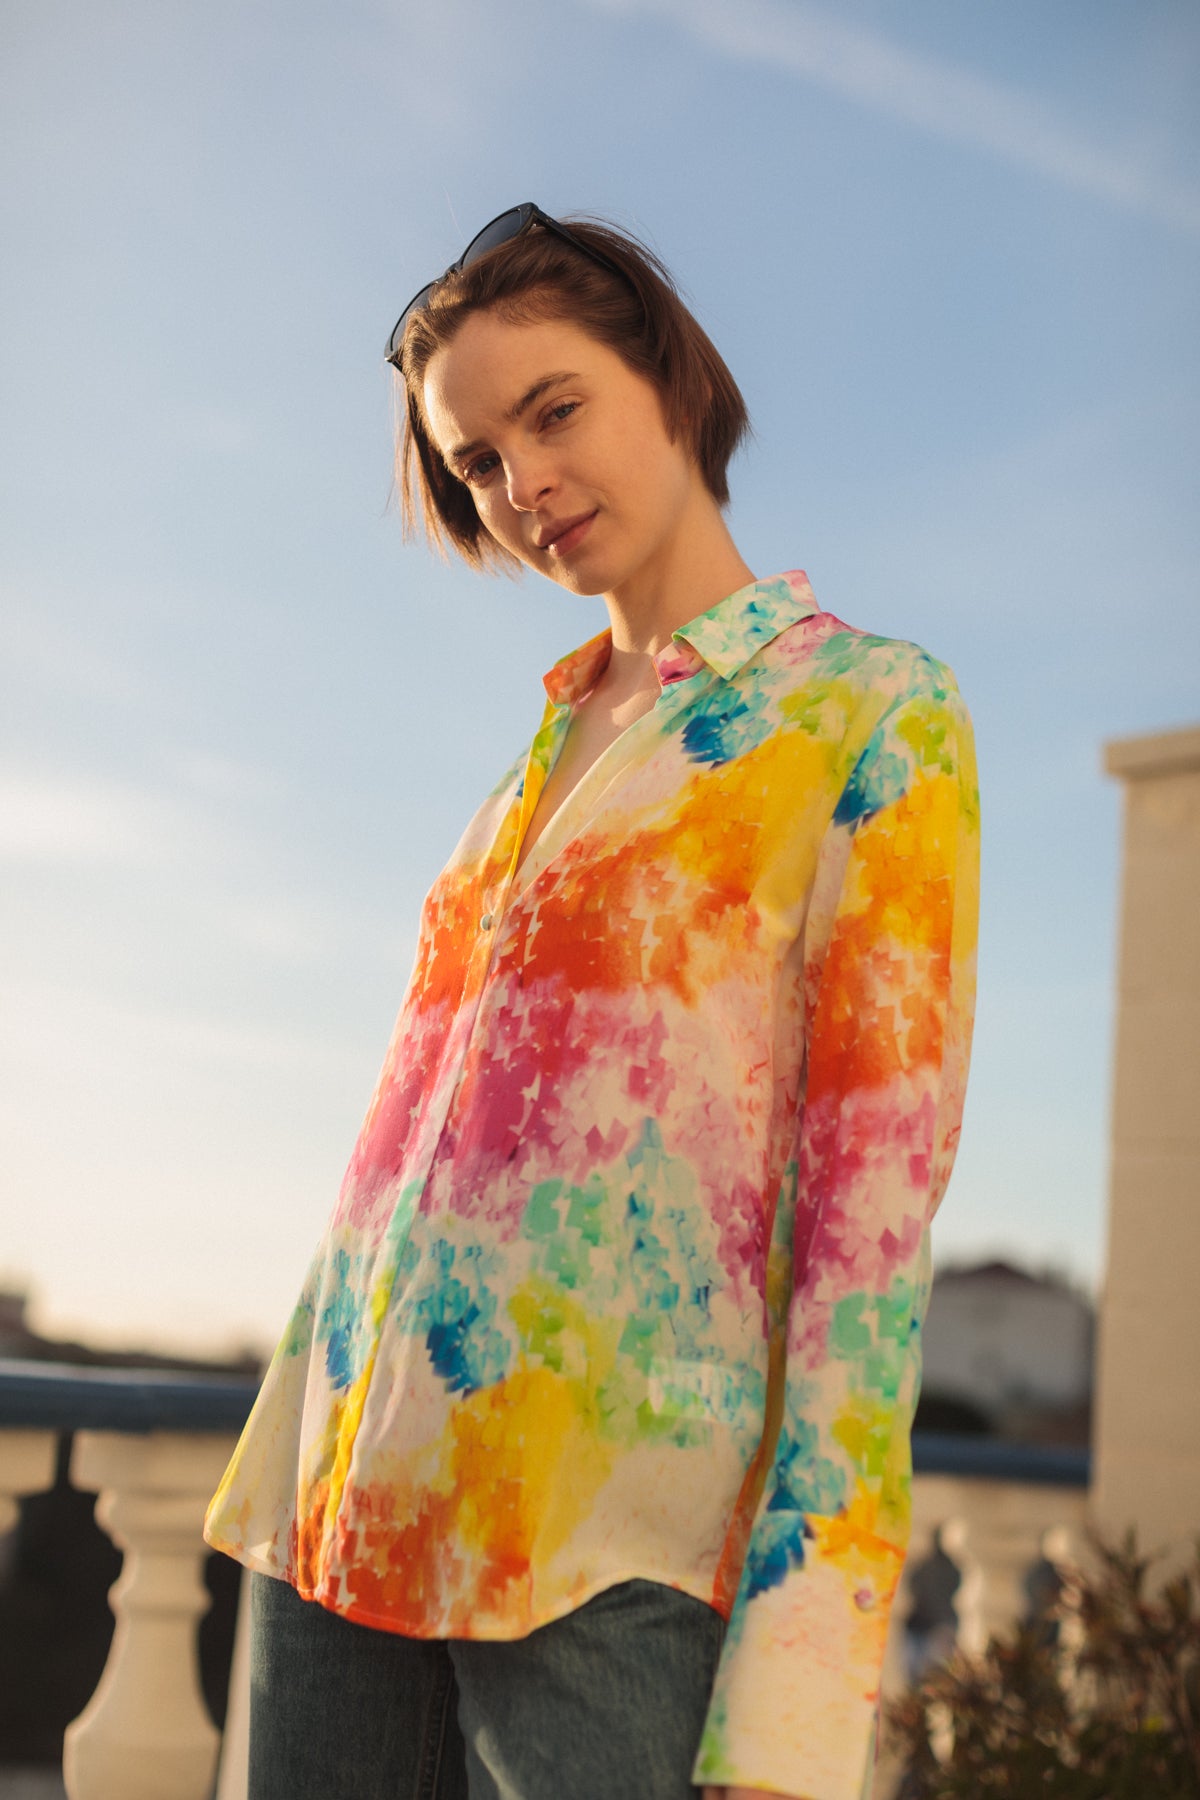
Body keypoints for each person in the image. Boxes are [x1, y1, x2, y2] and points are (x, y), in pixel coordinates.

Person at [205, 202, 980, 1800]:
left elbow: (866, 1244)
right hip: (339, 1516)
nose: (522, 485)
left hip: (611, 1558)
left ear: (673, 385)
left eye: (551, 411)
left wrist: (799, 1707)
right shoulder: (528, 766)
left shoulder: (866, 714)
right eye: (477, 462)